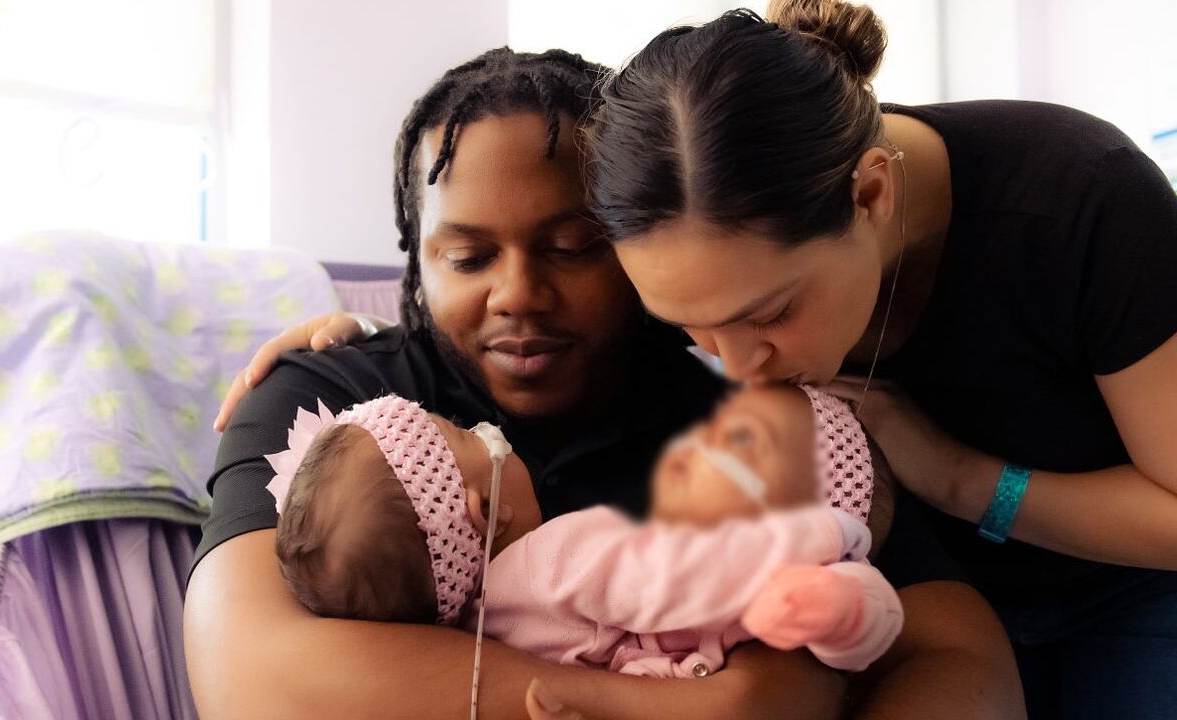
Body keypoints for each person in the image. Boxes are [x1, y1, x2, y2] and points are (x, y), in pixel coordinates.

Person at [186, 47, 1024, 719]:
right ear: (417, 259)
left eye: (571, 247)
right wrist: (724, 702)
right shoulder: (328, 406)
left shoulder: (743, 413)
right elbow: (253, 676)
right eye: (468, 257)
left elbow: (963, 656)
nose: (516, 294)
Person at [580, 2, 1177, 717]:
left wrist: (958, 477)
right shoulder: (684, 251)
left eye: (771, 314)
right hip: (911, 603)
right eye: (688, 326)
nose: (740, 368)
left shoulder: (1079, 200)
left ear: (871, 193)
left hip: (1123, 589)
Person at [264, 387, 902, 683]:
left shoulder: (475, 627)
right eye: (467, 434)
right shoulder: (555, 558)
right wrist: (816, 534)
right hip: (710, 629)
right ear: (485, 514)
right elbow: (670, 577)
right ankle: (839, 609)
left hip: (672, 666)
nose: (489, 429)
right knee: (839, 598)